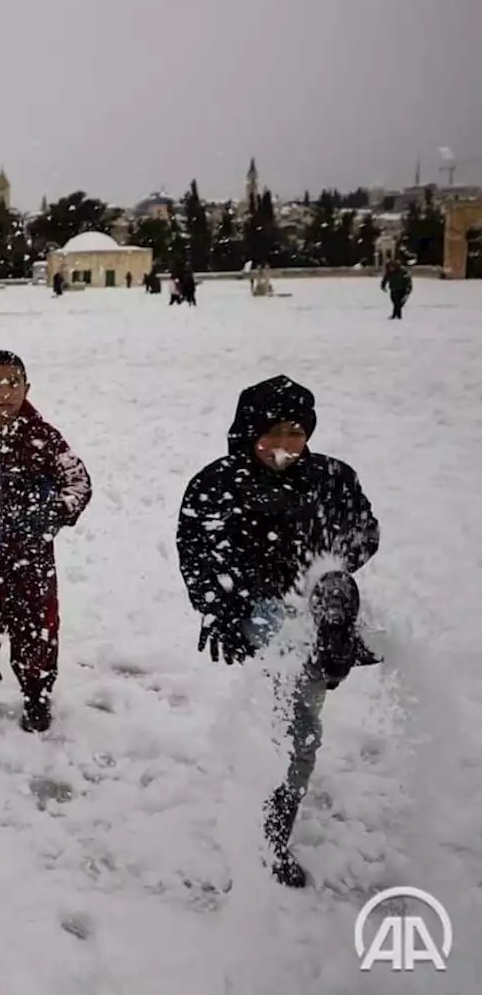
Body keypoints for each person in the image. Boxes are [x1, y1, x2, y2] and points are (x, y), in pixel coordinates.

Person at [176, 375, 382, 887]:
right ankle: (270, 840)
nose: (286, 445)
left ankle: (337, 641)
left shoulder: (332, 477)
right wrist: (216, 608)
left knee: (319, 661)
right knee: (296, 726)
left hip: (319, 599)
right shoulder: (219, 482)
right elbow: (196, 549)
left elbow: (363, 532)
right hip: (258, 610)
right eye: (273, 432)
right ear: (249, 432)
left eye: (296, 431)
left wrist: (330, 568)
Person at [0, 351, 92, 733]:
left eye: (14, 382)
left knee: (38, 629)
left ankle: (37, 694)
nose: (5, 391)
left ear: (27, 387)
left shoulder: (44, 437)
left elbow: (79, 484)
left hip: (33, 558)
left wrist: (53, 513)